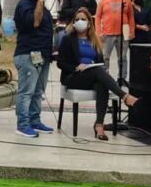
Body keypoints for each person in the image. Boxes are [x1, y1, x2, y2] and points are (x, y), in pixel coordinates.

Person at [58, 8, 139, 140]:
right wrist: (76, 67)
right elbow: (60, 63)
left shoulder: (94, 40)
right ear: (73, 23)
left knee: (101, 83)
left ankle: (99, 124)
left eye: (83, 19)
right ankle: (125, 96)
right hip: (74, 77)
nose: (80, 21)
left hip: (92, 75)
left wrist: (93, 66)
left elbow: (100, 62)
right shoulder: (68, 39)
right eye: (77, 19)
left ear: (89, 23)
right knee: (97, 71)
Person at [14, 0, 55, 138]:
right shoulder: (24, 5)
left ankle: (34, 120)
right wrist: (40, 0)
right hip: (28, 54)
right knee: (27, 91)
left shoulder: (41, 5)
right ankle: (22, 124)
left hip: (43, 53)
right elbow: (35, 22)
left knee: (38, 91)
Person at [95, 0, 135, 79]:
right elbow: (97, 17)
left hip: (124, 32)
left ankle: (122, 78)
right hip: (107, 33)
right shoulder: (103, 0)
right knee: (105, 57)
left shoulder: (126, 0)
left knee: (122, 58)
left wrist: (131, 32)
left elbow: (131, 17)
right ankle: (105, 79)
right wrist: (99, 32)